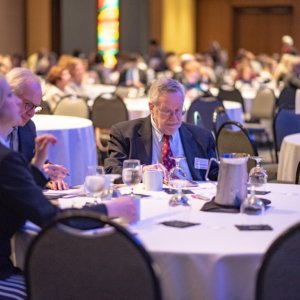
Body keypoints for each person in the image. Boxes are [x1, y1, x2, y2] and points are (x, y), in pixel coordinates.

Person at [0, 75, 138, 299]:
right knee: (76, 288)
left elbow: (12, 194)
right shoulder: (5, 158)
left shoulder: (8, 153)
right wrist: (112, 209)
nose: (17, 103)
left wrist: (36, 168)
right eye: (9, 96)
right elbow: (53, 219)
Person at [104, 78, 218, 181]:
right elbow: (111, 171)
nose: (174, 118)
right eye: (166, 111)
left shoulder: (202, 137)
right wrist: (142, 171)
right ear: (152, 108)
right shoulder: (125, 134)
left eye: (178, 110)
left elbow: (214, 174)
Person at [6, 67, 69, 190]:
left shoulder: (28, 127)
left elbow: (28, 164)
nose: (31, 114)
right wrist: (35, 171)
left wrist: (46, 174)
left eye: (35, 107)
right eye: (28, 104)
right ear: (8, 96)